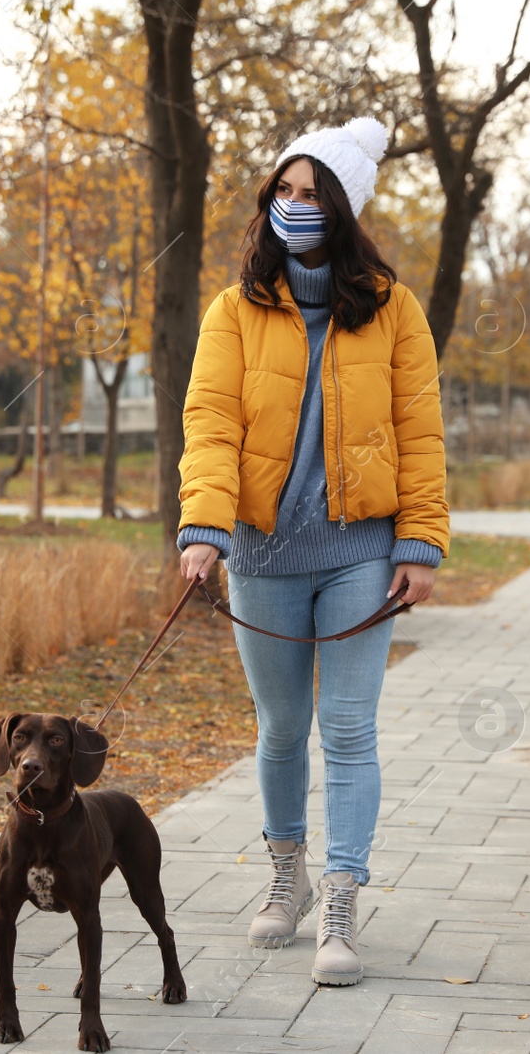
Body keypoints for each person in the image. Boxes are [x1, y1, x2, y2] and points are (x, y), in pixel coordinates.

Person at [174, 116, 450, 986]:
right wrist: (203, 530)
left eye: (312, 196)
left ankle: (340, 896)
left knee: (348, 726)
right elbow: (211, 425)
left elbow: (421, 429)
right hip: (261, 552)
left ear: (343, 209)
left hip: (361, 550)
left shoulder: (393, 308)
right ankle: (285, 874)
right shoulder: (235, 309)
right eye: (283, 193)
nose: (295, 208)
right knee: (283, 726)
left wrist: (422, 543)